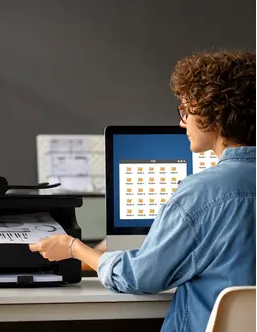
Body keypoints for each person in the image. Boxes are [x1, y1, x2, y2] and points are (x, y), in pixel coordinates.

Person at [30, 50, 257, 332]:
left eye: (186, 110)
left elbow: (140, 276)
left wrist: (75, 248)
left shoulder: (199, 193)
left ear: (215, 114)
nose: (182, 122)